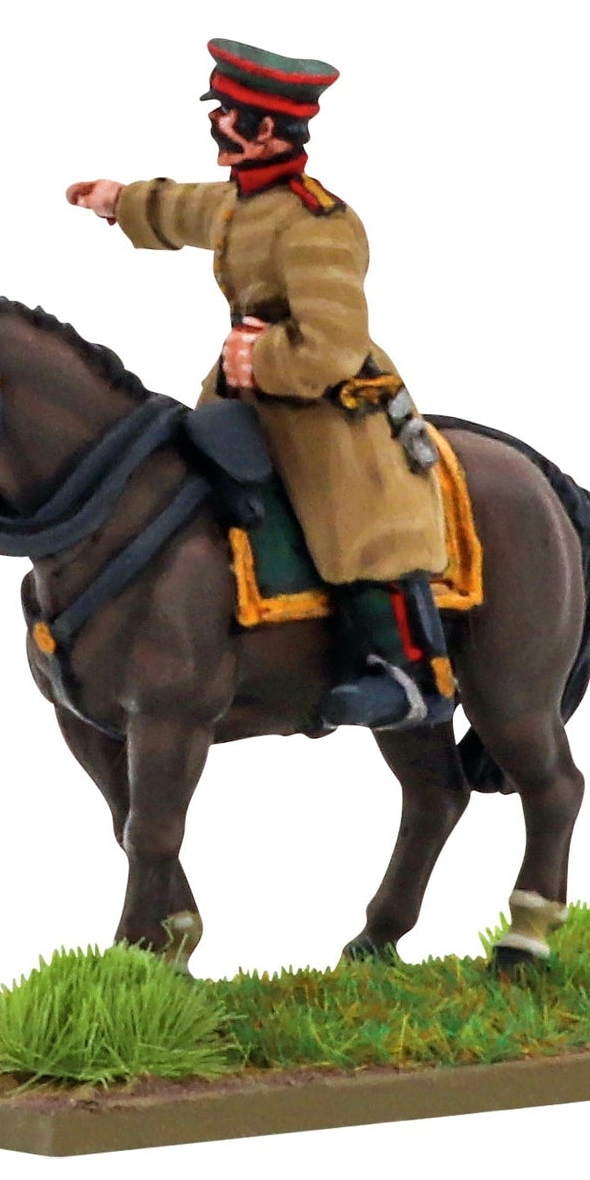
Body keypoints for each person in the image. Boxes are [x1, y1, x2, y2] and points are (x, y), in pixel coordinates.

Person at [66, 38, 454, 730]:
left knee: (359, 516)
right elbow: (188, 208)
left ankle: (411, 674)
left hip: (325, 401)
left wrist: (264, 358)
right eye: (218, 108)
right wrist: (122, 201)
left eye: (227, 113)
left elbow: (335, 344)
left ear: (268, 128)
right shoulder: (245, 201)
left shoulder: (317, 223)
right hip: (245, 390)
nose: (215, 121)